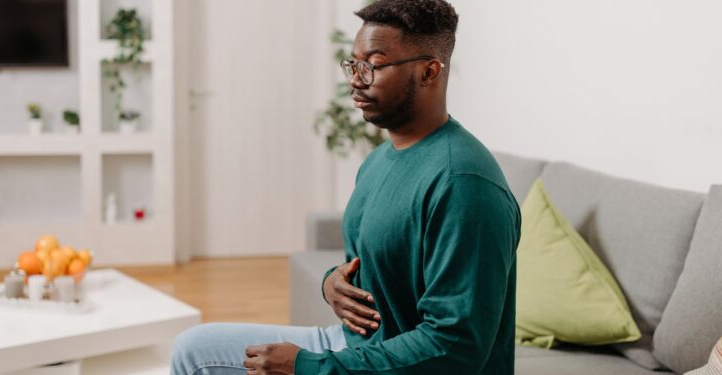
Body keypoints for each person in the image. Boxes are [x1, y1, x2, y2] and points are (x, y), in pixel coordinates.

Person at [171, 0, 521, 374]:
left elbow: (455, 347)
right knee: (193, 348)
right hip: (361, 345)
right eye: (354, 63)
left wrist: (311, 367)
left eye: (375, 64)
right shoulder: (379, 160)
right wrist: (331, 283)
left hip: (399, 364)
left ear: (429, 72)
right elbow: (382, 262)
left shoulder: (463, 184)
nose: (356, 78)